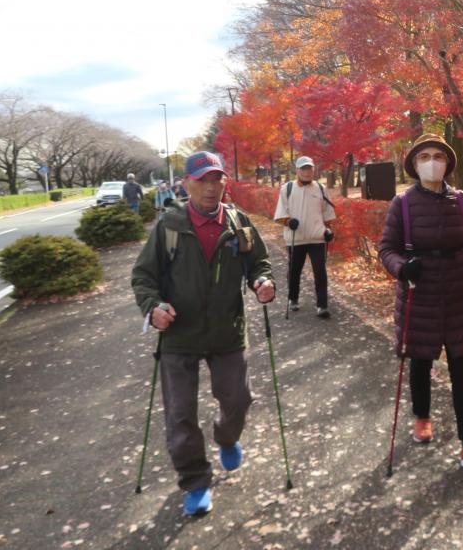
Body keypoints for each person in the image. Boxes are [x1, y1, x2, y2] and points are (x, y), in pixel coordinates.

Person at [131, 150, 276, 516]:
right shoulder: (169, 226)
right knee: (181, 415)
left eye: (217, 179)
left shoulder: (238, 221)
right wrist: (153, 307)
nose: (211, 187)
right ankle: (195, 481)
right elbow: (143, 277)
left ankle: (226, 437)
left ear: (224, 182)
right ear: (187, 184)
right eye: (202, 180)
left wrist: (263, 281)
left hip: (228, 330)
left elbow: (258, 261)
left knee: (239, 400)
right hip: (180, 335)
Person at [378, 134, 463, 470]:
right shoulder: (403, 204)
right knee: (420, 362)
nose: (432, 162)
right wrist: (401, 267)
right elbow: (387, 249)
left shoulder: (461, 201)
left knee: (462, 369)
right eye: (424, 156)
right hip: (418, 293)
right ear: (414, 164)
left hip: (456, 295)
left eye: (438, 156)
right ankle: (422, 416)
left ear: (448, 163)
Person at [273, 155, 336, 318]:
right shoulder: (287, 189)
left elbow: (327, 214)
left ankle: (322, 305)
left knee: (320, 272)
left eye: (309, 168)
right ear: (297, 171)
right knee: (294, 271)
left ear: (314, 169)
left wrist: (328, 230)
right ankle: (293, 299)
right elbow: (280, 215)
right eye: (303, 169)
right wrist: (288, 221)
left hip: (317, 238)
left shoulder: (321, 189)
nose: (307, 172)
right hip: (296, 238)